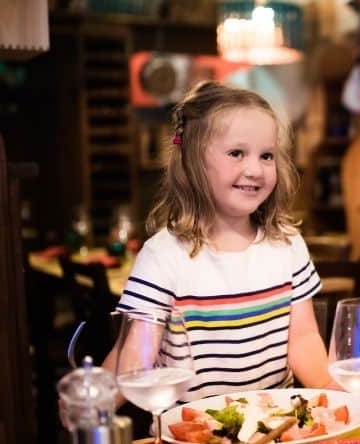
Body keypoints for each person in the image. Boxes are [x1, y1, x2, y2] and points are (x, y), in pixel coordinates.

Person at [106, 80, 338, 407]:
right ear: (193, 162)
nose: (255, 169)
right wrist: (95, 404)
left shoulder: (287, 244)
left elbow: (302, 340)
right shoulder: (163, 255)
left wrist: (333, 392)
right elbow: (134, 354)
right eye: (236, 153)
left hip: (277, 422)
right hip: (193, 434)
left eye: (267, 155)